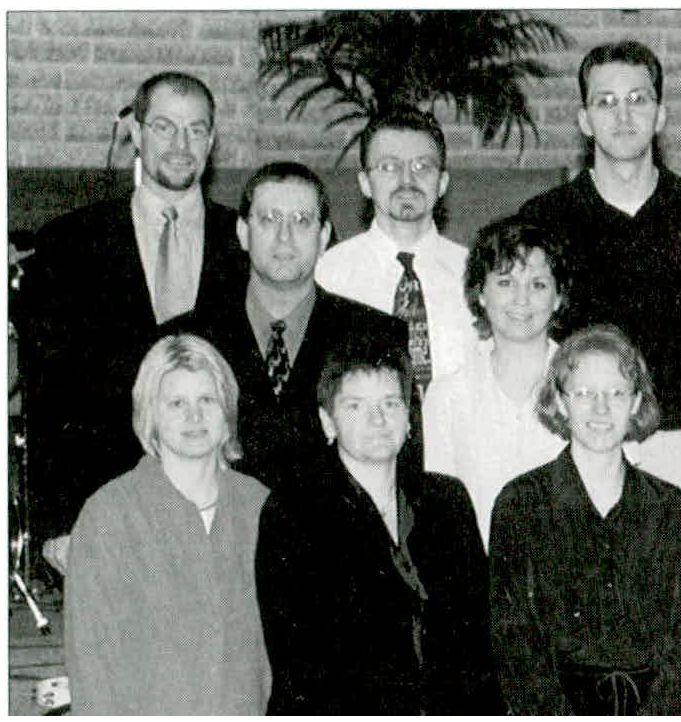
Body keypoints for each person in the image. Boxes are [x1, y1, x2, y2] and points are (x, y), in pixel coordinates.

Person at [517, 40, 681, 519]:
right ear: (584, 120)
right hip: (583, 441)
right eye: (606, 102)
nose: (623, 116)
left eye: (638, 99)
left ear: (661, 114)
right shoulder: (547, 218)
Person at [16, 72, 248, 569]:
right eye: (164, 127)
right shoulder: (69, 244)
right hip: (104, 511)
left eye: (195, 129)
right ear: (136, 134)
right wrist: (58, 522)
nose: (181, 145)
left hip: (221, 515)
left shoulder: (245, 242)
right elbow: (48, 395)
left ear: (211, 140)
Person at [255, 340, 498, 714]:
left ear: (409, 417)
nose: (378, 420)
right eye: (356, 406)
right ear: (327, 421)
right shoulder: (293, 512)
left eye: (390, 404)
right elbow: (302, 662)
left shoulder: (446, 501)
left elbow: (479, 639)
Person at [490, 324, 681, 718]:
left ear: (636, 403)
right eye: (585, 393)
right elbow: (515, 645)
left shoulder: (671, 510)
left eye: (616, 393)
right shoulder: (520, 505)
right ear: (561, 402)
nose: (601, 409)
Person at [168, 161, 409, 491]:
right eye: (269, 220)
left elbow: (402, 479)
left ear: (323, 236)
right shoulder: (187, 338)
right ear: (243, 232)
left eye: (301, 221)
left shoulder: (376, 335)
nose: (285, 237)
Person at [65, 334, 269, 714]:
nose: (194, 416)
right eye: (176, 403)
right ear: (151, 417)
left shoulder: (260, 508)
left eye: (207, 400)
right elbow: (92, 668)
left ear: (227, 413)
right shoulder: (108, 517)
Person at [423, 217, 570, 547]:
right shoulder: (448, 396)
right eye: (505, 283)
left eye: (538, 285)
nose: (521, 299)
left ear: (558, 298)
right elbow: (440, 516)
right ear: (480, 294)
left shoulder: (587, 388)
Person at [315, 106, 475, 395]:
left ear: (442, 183)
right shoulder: (329, 274)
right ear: (365, 183)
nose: (407, 181)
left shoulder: (475, 273)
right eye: (389, 167)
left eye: (422, 167)